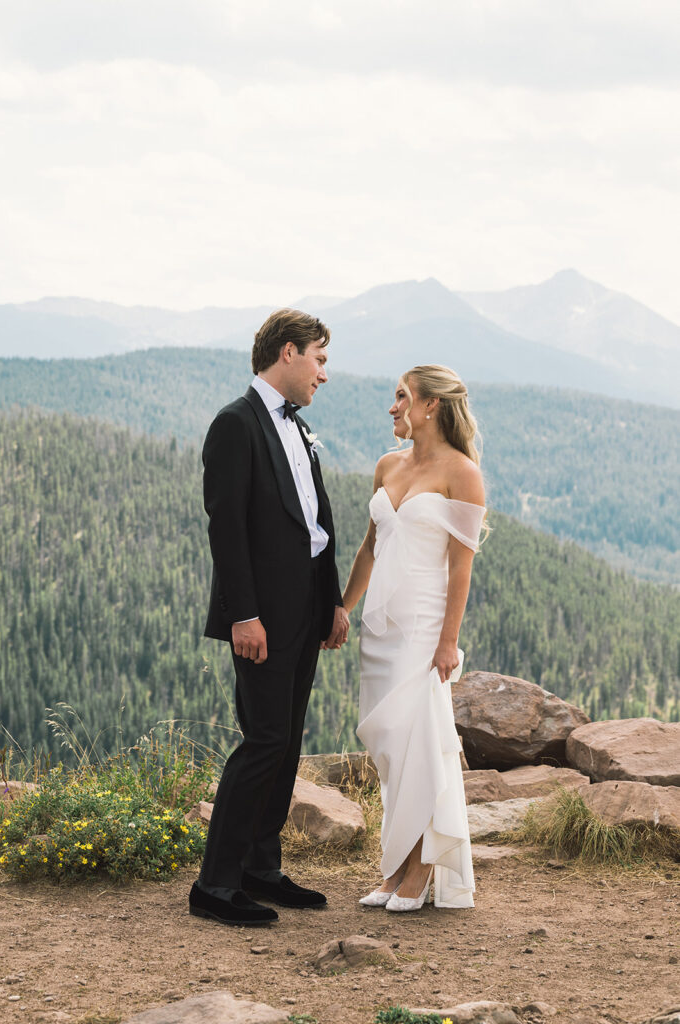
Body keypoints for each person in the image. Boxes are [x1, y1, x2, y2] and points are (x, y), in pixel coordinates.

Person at [190, 308, 350, 927]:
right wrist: (244, 615)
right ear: (288, 353)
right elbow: (226, 529)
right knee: (263, 740)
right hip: (262, 615)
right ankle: (215, 882)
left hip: (306, 604)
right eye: (320, 358)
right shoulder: (235, 424)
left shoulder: (298, 427)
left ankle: (261, 865)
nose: (324, 373)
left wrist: (332, 601)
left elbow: (317, 525)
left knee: (287, 741)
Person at [342, 364, 486, 912]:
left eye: (401, 397)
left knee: (418, 737)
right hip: (380, 627)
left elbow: (461, 568)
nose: (392, 407)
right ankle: (397, 860)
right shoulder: (387, 466)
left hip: (426, 626)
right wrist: (342, 609)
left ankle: (422, 868)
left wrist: (449, 642)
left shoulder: (462, 473)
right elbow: (369, 548)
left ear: (431, 407)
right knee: (389, 748)